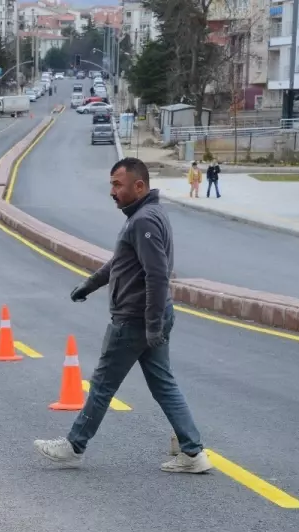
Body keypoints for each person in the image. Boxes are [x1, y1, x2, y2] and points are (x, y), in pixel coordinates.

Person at [33, 157, 212, 474]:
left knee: (102, 385)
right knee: (163, 384)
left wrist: (153, 325)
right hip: (149, 318)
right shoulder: (145, 215)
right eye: (111, 185)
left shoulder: (142, 221)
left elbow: (157, 276)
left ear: (139, 186)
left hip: (134, 320)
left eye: (118, 184)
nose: (112, 191)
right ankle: (193, 452)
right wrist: (89, 284)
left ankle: (74, 446)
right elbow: (120, 263)